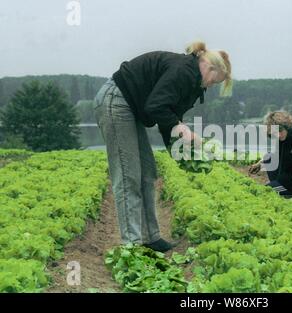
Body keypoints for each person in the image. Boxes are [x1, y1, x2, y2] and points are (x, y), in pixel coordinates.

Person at [93, 41, 232, 252]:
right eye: (215, 81)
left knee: (147, 172)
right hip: (117, 101)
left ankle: (151, 237)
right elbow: (156, 106)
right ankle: (132, 244)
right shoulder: (184, 72)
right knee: (128, 174)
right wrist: (181, 127)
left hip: (130, 107)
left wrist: (182, 151)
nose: (211, 86)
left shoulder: (192, 80)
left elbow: (168, 117)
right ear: (210, 68)